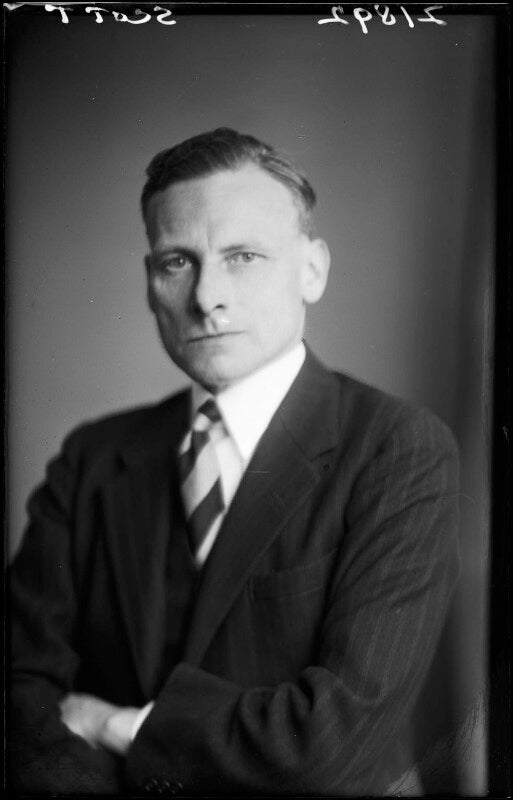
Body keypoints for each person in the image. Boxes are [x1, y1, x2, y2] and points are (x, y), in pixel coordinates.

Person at [10, 128, 460, 796]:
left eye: (243, 256)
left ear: (312, 270)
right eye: (177, 262)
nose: (206, 297)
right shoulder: (92, 458)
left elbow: (330, 743)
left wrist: (119, 727)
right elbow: (20, 689)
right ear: (149, 284)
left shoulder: (399, 449)